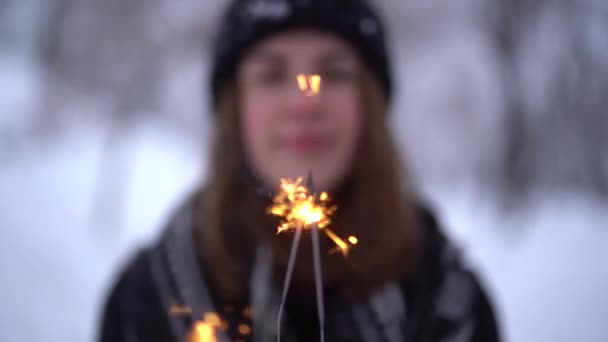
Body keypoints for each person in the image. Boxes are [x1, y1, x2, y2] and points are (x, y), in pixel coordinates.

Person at [99, 0, 500, 341]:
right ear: (234, 109)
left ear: (371, 105)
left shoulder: (450, 303)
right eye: (271, 75)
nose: (306, 101)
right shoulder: (147, 301)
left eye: (335, 73)